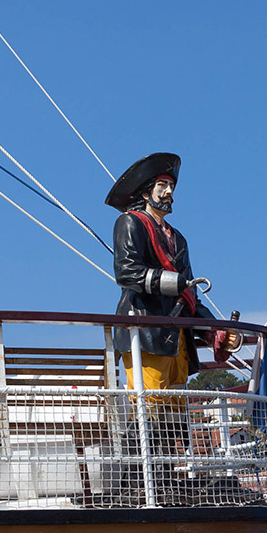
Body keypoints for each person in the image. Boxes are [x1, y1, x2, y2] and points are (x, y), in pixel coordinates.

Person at [107, 152, 210, 391]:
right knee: (151, 400)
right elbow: (126, 272)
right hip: (145, 329)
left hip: (177, 334)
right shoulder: (130, 222)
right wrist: (172, 281)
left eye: (171, 186)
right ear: (146, 192)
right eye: (162, 185)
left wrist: (213, 329)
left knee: (177, 402)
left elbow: (189, 292)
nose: (169, 192)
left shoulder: (179, 239)